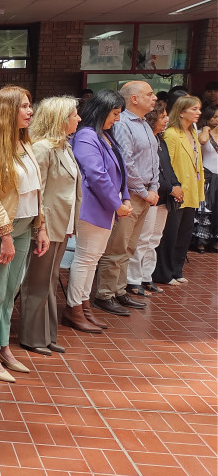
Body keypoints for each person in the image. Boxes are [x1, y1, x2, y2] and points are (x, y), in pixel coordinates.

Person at [0, 86, 49, 383]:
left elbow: (36, 191)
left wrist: (40, 227)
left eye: (30, 106)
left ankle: (2, 346)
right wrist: (5, 234)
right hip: (0, 230)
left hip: (25, 225)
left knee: (10, 291)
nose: (30, 111)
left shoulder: (25, 143)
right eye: (25, 106)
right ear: (7, 110)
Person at [64, 89, 130, 333]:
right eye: (114, 113)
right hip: (92, 207)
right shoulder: (86, 136)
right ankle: (74, 309)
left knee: (91, 261)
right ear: (101, 110)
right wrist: (117, 204)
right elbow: (97, 175)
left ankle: (84, 306)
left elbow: (120, 170)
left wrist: (126, 197)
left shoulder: (103, 136)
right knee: (85, 260)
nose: (117, 119)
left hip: (105, 207)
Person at [19, 96, 82, 355]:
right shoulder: (43, 148)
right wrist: (40, 227)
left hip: (62, 224)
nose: (78, 119)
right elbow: (39, 191)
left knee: (51, 279)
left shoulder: (64, 146)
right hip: (46, 226)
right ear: (59, 119)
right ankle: (32, 336)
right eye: (74, 115)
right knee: (38, 281)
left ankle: (47, 335)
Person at [91, 81, 158, 315]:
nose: (155, 98)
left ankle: (119, 290)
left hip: (146, 193)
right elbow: (126, 163)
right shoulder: (123, 124)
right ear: (134, 99)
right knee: (117, 247)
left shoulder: (145, 125)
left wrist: (155, 186)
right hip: (131, 194)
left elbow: (154, 160)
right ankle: (105, 294)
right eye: (149, 94)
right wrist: (142, 191)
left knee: (129, 247)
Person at [153, 96, 204, 285]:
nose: (198, 112)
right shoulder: (172, 134)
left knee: (184, 234)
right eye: (194, 109)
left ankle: (177, 270)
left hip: (192, 191)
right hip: (176, 191)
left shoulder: (192, 132)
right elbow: (166, 165)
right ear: (181, 112)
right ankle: (164, 273)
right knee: (170, 235)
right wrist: (172, 187)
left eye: (199, 109)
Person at [126, 104, 175, 295]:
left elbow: (165, 168)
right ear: (153, 119)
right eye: (163, 116)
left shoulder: (160, 141)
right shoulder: (145, 138)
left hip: (157, 194)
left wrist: (171, 185)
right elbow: (134, 165)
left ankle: (147, 275)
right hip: (145, 193)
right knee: (141, 239)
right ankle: (133, 279)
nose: (166, 120)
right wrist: (164, 188)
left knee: (153, 239)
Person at [193, 105, 218, 252]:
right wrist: (207, 129)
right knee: (205, 211)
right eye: (214, 117)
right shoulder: (202, 133)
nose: (217, 120)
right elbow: (202, 141)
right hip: (207, 176)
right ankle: (201, 241)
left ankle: (215, 240)